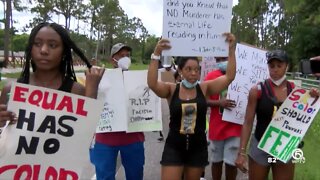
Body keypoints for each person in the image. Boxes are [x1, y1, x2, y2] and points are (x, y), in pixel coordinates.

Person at [147, 33, 236, 180]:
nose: (194, 73)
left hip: (197, 148)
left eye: (196, 69)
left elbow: (229, 77)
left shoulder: (204, 88)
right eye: (188, 69)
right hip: (174, 147)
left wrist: (231, 50)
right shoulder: (171, 89)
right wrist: (156, 55)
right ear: (180, 71)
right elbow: (152, 84)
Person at [0, 22, 104, 128]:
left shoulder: (77, 91)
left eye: (52, 45)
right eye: (37, 44)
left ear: (64, 52)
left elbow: (86, 133)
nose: (43, 50)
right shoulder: (10, 89)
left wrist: (91, 92)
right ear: (30, 49)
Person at [235, 50, 319, 180]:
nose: (275, 69)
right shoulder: (257, 90)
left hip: (284, 147)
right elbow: (248, 122)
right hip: (260, 145)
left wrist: (313, 97)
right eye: (272, 66)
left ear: (287, 66)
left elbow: (306, 115)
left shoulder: (295, 91)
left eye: (279, 66)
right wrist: (241, 152)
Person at [90, 43, 145, 180]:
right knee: (104, 176)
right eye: (121, 56)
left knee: (135, 175)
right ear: (112, 59)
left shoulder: (139, 80)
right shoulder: (101, 78)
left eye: (127, 55)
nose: (125, 58)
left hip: (133, 137)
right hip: (105, 137)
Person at [204, 57, 241, 180]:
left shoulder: (241, 75)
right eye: (219, 59)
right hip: (217, 127)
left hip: (235, 127)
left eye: (225, 58)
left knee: (232, 163)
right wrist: (219, 103)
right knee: (216, 161)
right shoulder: (211, 76)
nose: (222, 62)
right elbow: (203, 100)